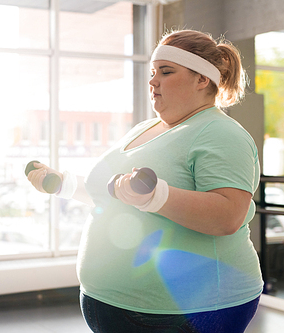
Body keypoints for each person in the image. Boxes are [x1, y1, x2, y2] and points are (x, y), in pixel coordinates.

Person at [27, 29, 262, 333]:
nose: (153, 81)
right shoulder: (144, 128)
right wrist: (62, 183)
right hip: (113, 305)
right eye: (153, 73)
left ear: (202, 79)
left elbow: (228, 215)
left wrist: (154, 197)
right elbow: (113, 193)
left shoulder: (221, 133)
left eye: (166, 72)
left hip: (192, 310)